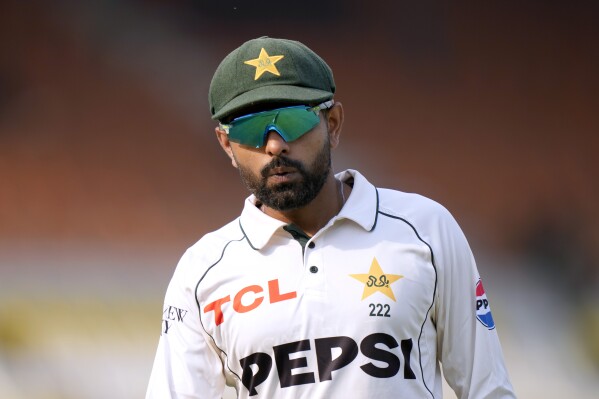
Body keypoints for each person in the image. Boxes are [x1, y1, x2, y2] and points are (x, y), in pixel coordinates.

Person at [146, 36, 516, 399]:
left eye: (291, 119)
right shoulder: (201, 271)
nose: (275, 145)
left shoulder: (425, 228)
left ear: (333, 123)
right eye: (250, 128)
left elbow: (488, 390)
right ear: (226, 144)